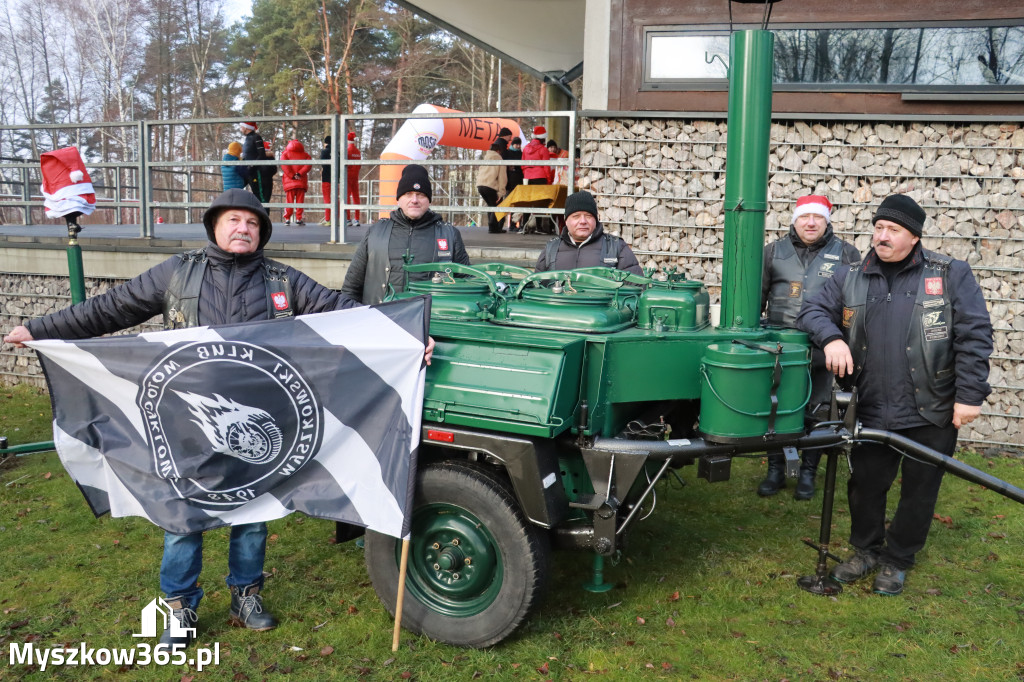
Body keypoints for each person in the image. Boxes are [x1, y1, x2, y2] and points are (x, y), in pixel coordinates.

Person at [4, 188, 434, 646]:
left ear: (261, 232)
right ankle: (180, 607)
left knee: (253, 512)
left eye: (251, 223)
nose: (242, 229)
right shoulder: (177, 273)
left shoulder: (282, 280)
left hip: (260, 423)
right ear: (215, 226)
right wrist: (38, 329)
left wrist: (404, 336)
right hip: (186, 421)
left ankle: (245, 595)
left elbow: (343, 311)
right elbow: (109, 309)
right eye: (233, 220)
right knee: (182, 514)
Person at [796, 193, 992, 596]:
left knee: (920, 488)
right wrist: (831, 338)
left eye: (894, 230)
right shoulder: (850, 274)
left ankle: (899, 558)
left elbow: (974, 336)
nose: (882, 237)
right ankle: (866, 550)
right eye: (879, 228)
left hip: (930, 406)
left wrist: (969, 396)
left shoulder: (950, 274)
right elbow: (810, 310)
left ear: (914, 237)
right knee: (865, 485)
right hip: (869, 405)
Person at [757, 195, 860, 500]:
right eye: (805, 217)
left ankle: (808, 473)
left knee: (818, 409)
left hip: (821, 349)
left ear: (827, 221)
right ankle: (775, 470)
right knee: (775, 409)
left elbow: (854, 305)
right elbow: (756, 299)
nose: (811, 223)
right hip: (779, 349)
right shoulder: (772, 252)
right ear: (795, 219)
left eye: (817, 218)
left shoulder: (846, 254)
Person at [343, 164, 471, 304]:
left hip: (429, 322)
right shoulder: (376, 232)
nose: (414, 200)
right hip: (381, 320)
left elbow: (468, 284)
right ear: (399, 198)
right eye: (408, 194)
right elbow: (351, 288)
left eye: (421, 194)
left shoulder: (449, 235)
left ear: (429, 199)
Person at [534, 190, 642, 274]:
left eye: (588, 216)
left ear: (596, 219)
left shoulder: (616, 247)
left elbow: (635, 288)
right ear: (566, 220)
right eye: (576, 216)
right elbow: (537, 287)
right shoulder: (551, 248)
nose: (583, 221)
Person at [238, 122, 275, 204]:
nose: (240, 128)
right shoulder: (247, 139)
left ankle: (263, 215)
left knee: (261, 197)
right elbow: (248, 155)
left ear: (247, 127)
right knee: (255, 195)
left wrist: (252, 166)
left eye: (242, 126)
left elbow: (261, 154)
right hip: (249, 172)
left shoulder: (256, 137)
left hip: (257, 172)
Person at [477, 139, 508, 233]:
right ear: (498, 151)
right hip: (490, 186)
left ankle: (493, 227)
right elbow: (503, 177)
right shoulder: (499, 159)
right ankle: (493, 227)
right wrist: (501, 192)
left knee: (490, 205)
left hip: (480, 185)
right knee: (496, 206)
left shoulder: (485, 158)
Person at [279, 139, 312, 226]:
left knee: (289, 201)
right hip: (301, 182)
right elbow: (308, 165)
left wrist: (292, 175)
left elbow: (284, 165)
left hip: (290, 182)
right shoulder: (305, 155)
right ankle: (299, 218)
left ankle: (287, 219)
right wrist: (299, 174)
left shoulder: (285, 154)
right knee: (300, 202)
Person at [345, 131, 362, 227]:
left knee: (347, 197)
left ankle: (348, 219)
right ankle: (357, 218)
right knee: (356, 197)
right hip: (355, 176)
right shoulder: (358, 152)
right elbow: (359, 165)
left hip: (347, 176)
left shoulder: (347, 151)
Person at [318, 135, 333, 226]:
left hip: (326, 178)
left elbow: (323, 164)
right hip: (337, 179)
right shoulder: (338, 152)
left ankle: (328, 219)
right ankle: (337, 219)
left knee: (327, 199)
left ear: (325, 143)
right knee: (337, 199)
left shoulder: (324, 151)